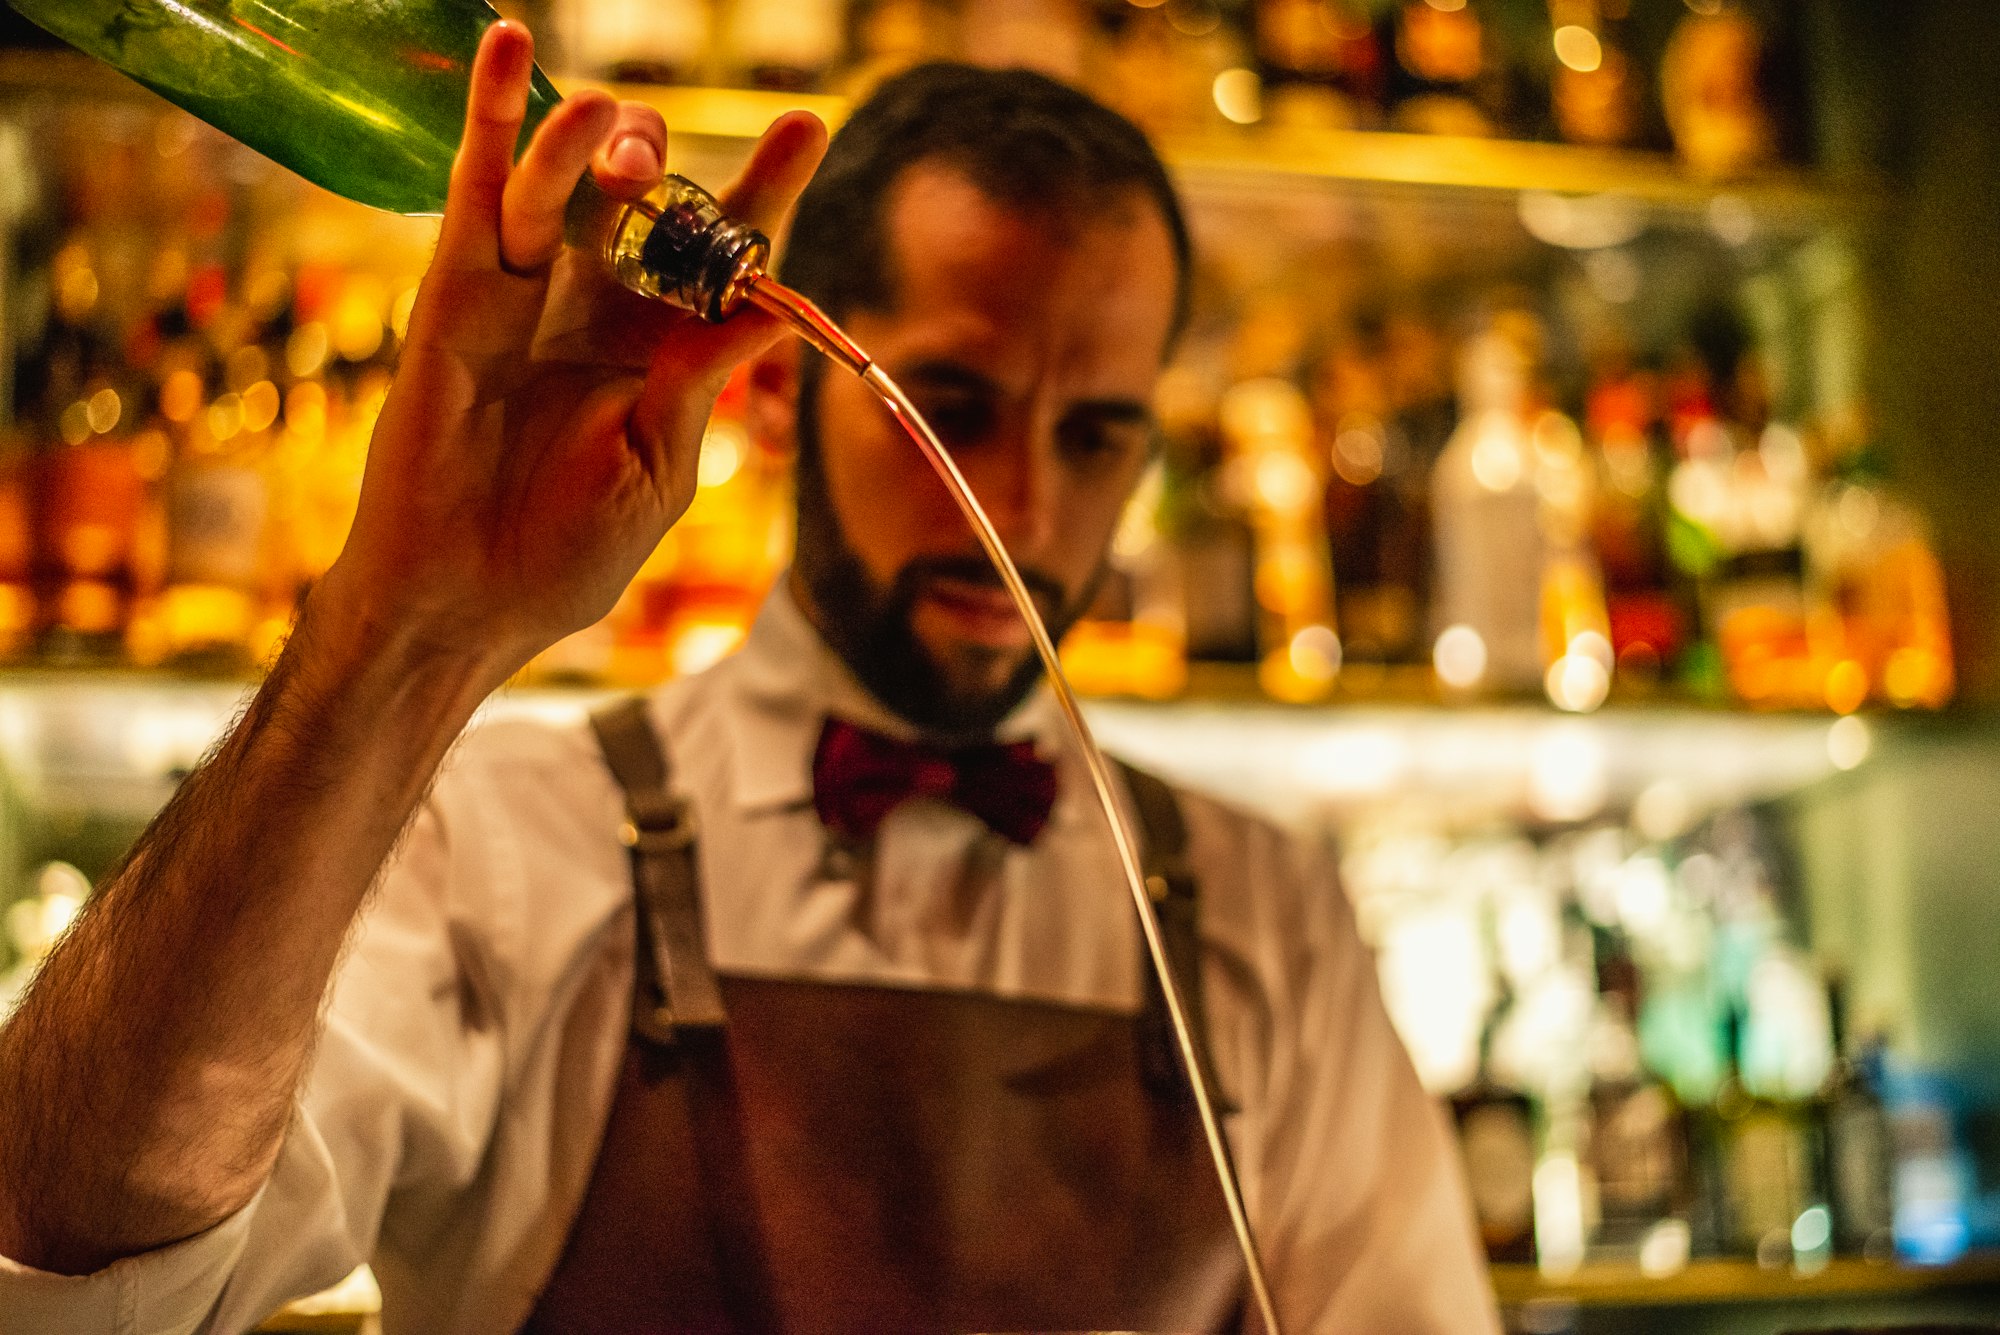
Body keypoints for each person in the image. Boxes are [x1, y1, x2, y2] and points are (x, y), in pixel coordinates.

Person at [0, 21, 1498, 1335]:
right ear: (778, 393)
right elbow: (81, 1274)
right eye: (956, 406)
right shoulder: (510, 842)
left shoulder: (1267, 922)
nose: (1025, 506)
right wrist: (396, 636)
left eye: (1096, 432)